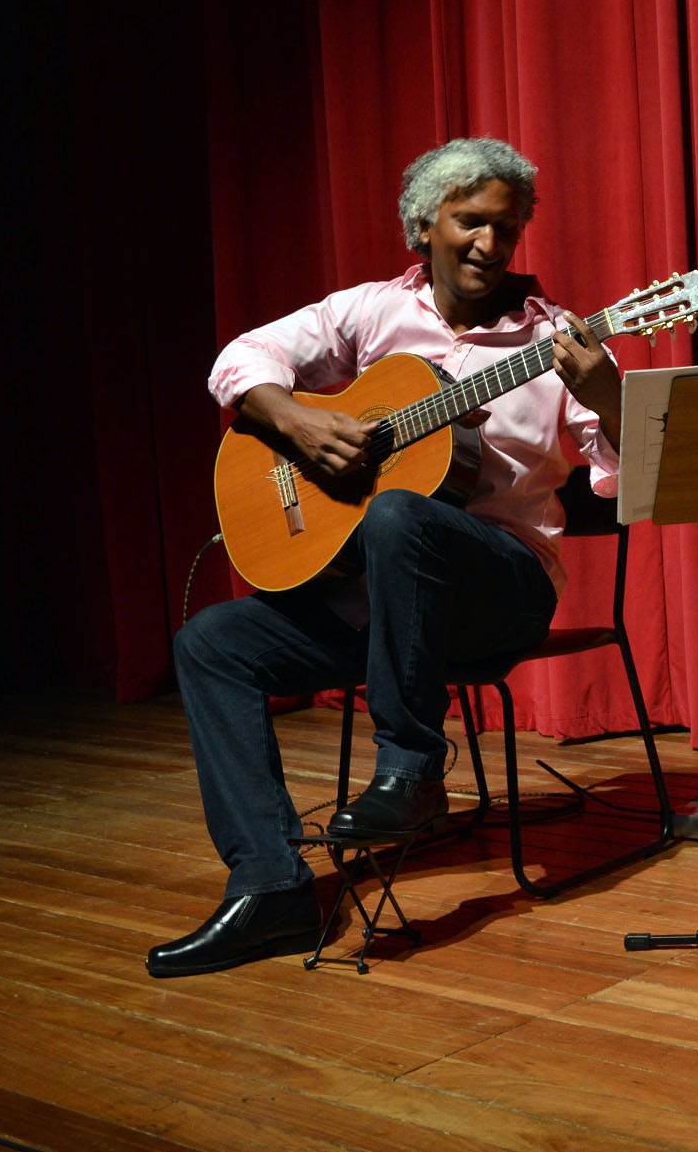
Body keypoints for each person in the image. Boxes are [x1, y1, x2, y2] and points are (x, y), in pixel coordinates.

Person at [147, 137, 622, 978]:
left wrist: (609, 398)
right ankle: (270, 886)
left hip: (499, 591)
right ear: (424, 225)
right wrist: (298, 422)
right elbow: (240, 359)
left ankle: (410, 767)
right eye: (470, 221)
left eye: (506, 228)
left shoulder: (560, 341)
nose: (489, 243)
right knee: (212, 642)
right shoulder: (369, 311)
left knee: (401, 513)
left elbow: (632, 480)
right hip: (377, 606)